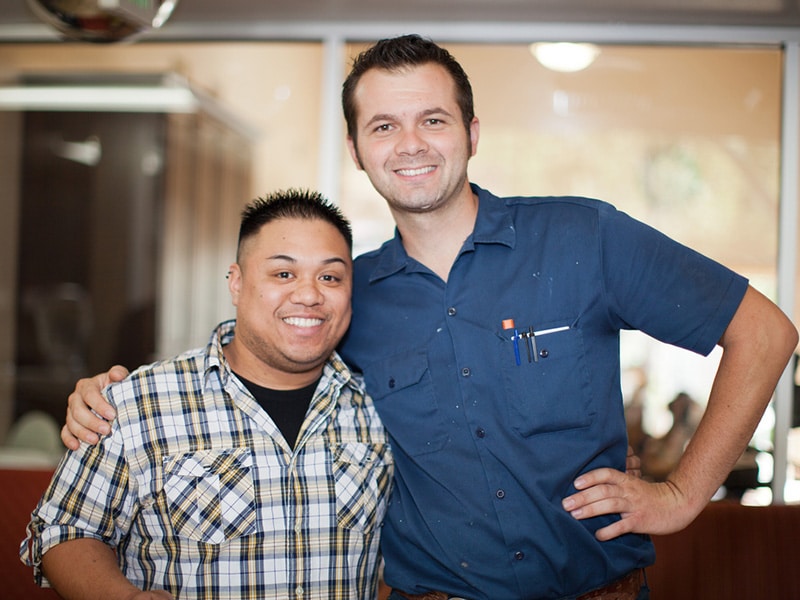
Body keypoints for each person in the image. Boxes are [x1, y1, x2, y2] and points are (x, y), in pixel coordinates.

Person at [61, 35, 798, 600]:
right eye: (383, 126)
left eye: (432, 120)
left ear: (472, 132)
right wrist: (111, 399)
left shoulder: (584, 238)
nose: (409, 144)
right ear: (356, 149)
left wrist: (680, 494)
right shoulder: (352, 295)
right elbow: (255, 366)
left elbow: (764, 333)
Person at [20, 189, 394, 600]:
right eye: (283, 274)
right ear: (236, 283)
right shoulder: (137, 402)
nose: (309, 294)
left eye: (330, 277)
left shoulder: (378, 409)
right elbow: (63, 530)